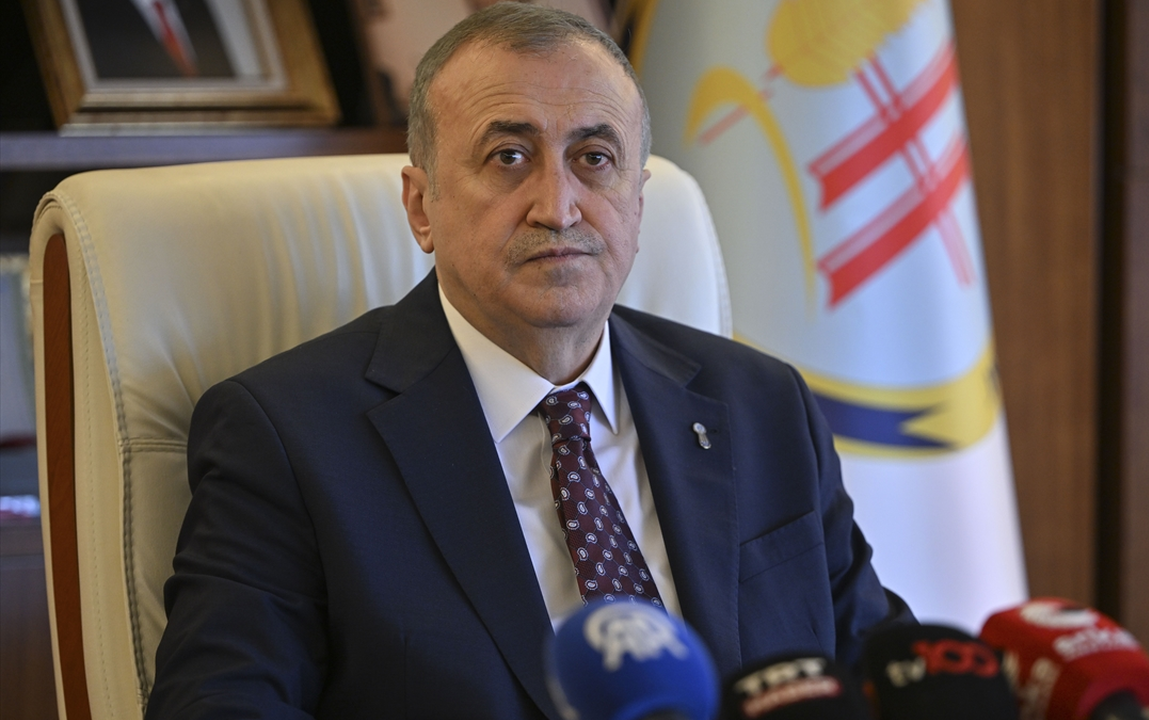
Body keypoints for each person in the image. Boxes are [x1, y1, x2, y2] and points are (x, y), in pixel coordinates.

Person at [146, 4, 913, 718]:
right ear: (420, 206)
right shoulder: (287, 439)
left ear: (638, 200)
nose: (558, 206)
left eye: (595, 158)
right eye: (508, 156)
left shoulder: (762, 405)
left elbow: (882, 675)